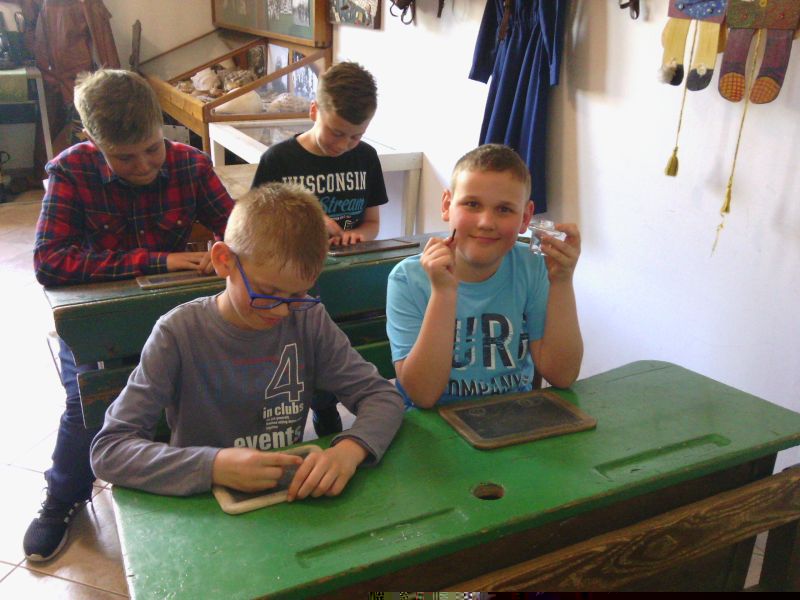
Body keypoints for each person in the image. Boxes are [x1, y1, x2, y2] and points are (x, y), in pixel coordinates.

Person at [27, 69, 234, 561]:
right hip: (98, 323)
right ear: (91, 139)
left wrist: (226, 248)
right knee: (87, 402)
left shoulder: (190, 163)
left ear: (162, 127)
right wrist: (158, 260)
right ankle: (63, 496)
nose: (143, 165)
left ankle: (198, 476)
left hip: (172, 317)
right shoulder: (70, 171)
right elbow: (49, 262)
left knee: (217, 378)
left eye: (152, 149)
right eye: (124, 157)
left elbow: (237, 226)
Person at [90, 183, 405, 501]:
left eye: (297, 295)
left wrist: (349, 450)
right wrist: (214, 466)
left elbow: (381, 397)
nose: (282, 311)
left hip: (281, 498)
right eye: (267, 293)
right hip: (202, 504)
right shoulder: (178, 333)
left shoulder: (309, 319)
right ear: (223, 260)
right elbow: (110, 449)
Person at [386, 144, 583, 408]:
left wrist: (562, 281)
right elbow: (422, 395)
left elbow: (562, 375)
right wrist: (443, 292)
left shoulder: (534, 268)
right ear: (447, 205)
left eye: (504, 209)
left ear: (525, 217)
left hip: (513, 416)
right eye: (472, 204)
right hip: (435, 422)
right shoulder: (407, 279)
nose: (486, 222)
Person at [251, 61, 388, 437]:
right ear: (314, 111)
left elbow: (372, 224)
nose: (344, 145)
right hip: (294, 286)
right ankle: (318, 410)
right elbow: (258, 229)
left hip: (347, 282)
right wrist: (310, 223)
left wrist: (358, 235)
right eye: (336, 133)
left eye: (355, 136)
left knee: (345, 349)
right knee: (302, 353)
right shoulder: (279, 160)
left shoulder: (366, 158)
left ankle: (333, 408)